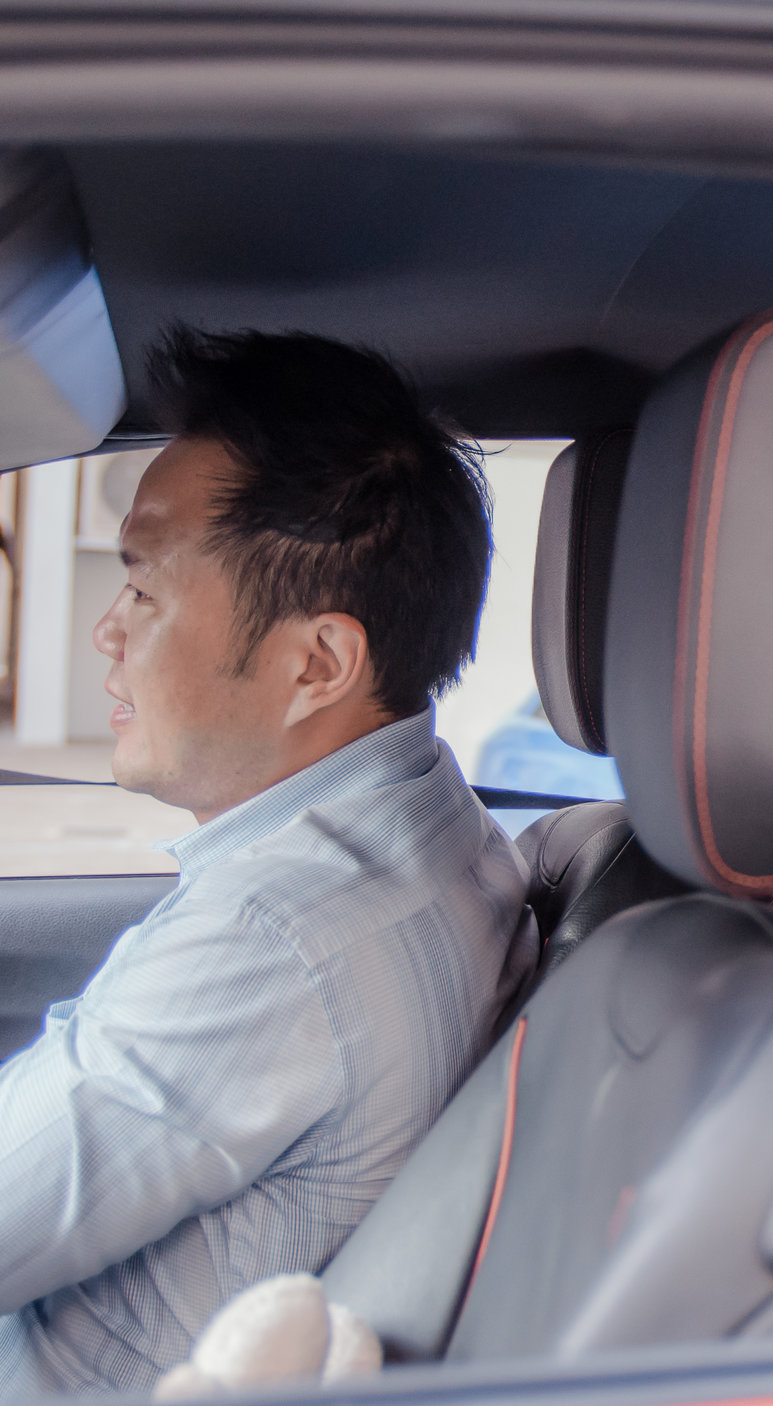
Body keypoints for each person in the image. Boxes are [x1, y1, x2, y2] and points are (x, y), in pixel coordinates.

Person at [0, 331, 537, 1393]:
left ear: (317, 663)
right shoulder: (439, 832)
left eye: (145, 589)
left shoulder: (275, 940)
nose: (107, 630)